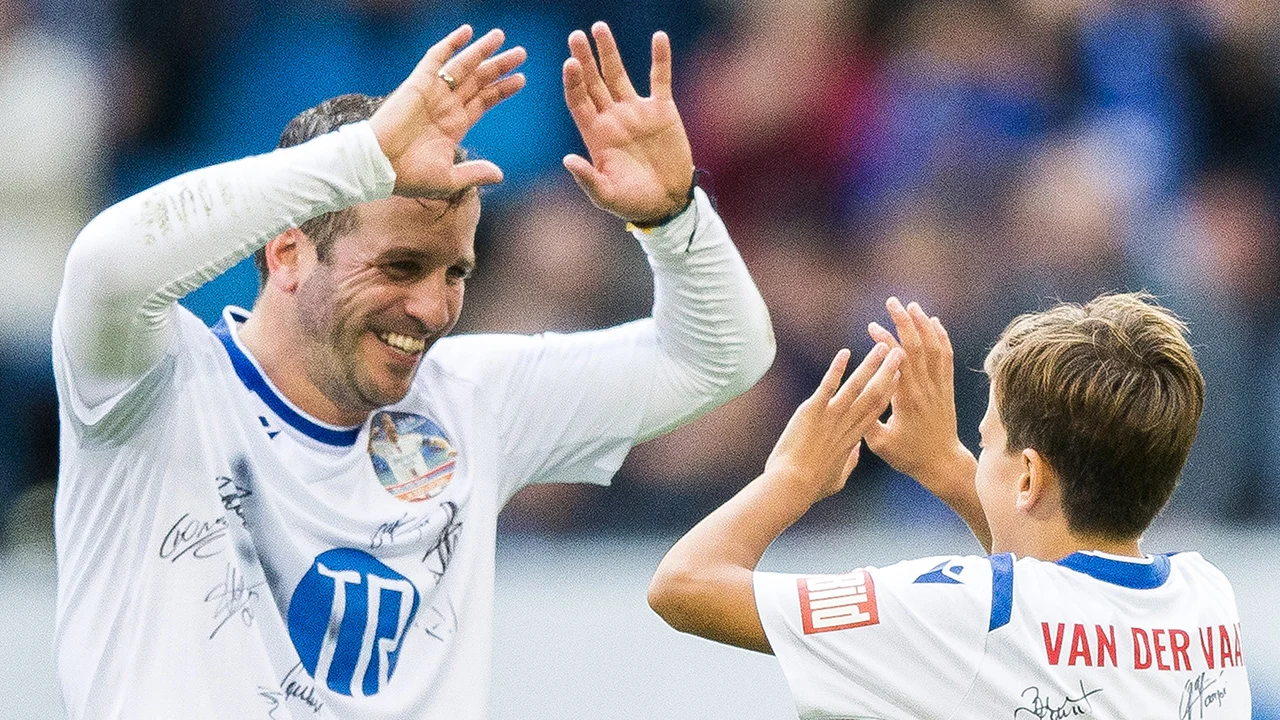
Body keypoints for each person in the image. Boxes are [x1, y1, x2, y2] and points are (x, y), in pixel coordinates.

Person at [53, 22, 774, 719]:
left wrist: (676, 222)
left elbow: (718, 355)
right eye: (400, 266)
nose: (432, 308)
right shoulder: (154, 389)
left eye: (455, 272)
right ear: (287, 253)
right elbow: (106, 265)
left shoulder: (469, 402)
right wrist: (359, 160)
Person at [649, 293, 1251, 718]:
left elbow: (684, 585)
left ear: (1029, 475)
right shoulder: (1208, 605)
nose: (976, 455)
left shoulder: (966, 610)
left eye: (985, 443)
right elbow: (1056, 588)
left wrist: (792, 477)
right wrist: (948, 466)